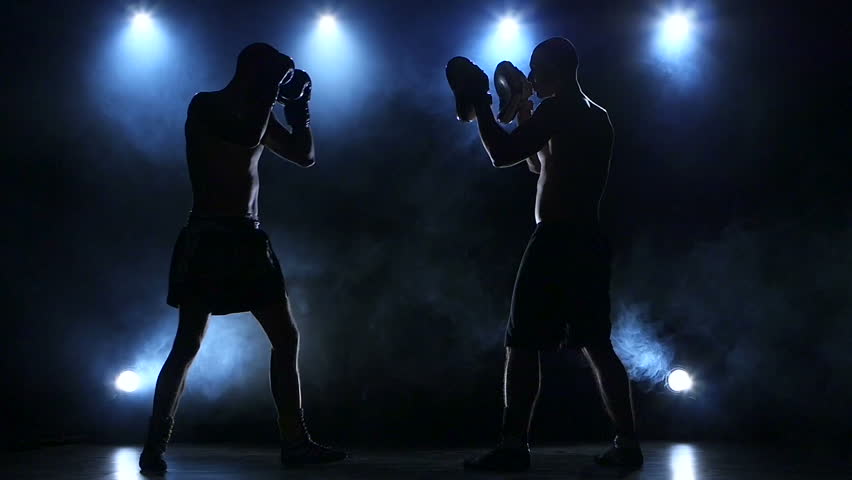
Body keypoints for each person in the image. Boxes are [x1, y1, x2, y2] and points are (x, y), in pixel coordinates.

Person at [138, 42, 346, 473]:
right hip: (209, 236)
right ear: (255, 74)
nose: (277, 85)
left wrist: (301, 111)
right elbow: (246, 135)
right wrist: (275, 93)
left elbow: (305, 156)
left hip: (247, 238)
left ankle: (295, 442)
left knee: (285, 338)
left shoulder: (258, 113)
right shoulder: (206, 106)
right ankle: (154, 445)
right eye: (273, 76)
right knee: (187, 344)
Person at [457, 37, 643, 472]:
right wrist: (524, 112)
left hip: (556, 239)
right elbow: (540, 166)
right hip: (588, 239)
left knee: (522, 344)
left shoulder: (558, 110)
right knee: (597, 345)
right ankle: (628, 442)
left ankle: (512, 447)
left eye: (536, 68)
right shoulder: (595, 115)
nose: (530, 76)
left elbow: (503, 155)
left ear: (554, 70)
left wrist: (482, 105)